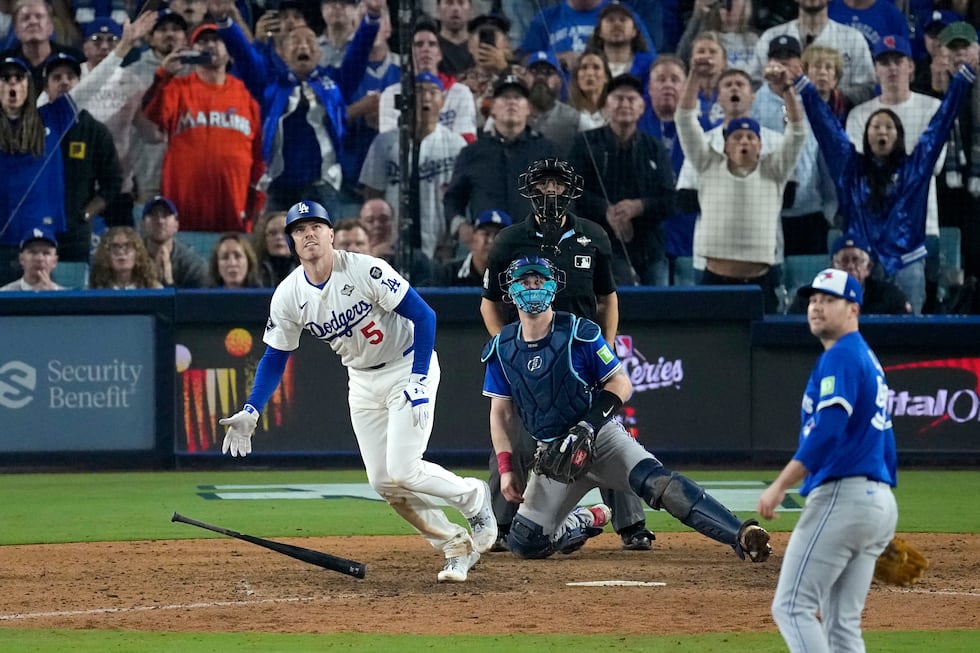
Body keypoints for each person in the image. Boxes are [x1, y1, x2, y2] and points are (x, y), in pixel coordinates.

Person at [218, 200, 498, 583]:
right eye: (300, 230)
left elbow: (424, 315)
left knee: (405, 468)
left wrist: (418, 377)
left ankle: (473, 497)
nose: (309, 234)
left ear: (331, 234)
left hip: (405, 366)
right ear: (292, 243)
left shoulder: (365, 268)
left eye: (316, 226)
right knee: (383, 482)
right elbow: (275, 355)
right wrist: (252, 409)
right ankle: (453, 544)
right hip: (362, 380)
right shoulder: (288, 295)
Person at [484, 254, 772, 561]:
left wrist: (588, 426)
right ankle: (583, 519)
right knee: (525, 542)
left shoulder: (579, 332)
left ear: (553, 287)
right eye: (524, 282)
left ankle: (741, 534)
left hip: (600, 438)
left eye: (538, 280)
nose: (532, 288)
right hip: (555, 455)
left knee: (660, 485)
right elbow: (500, 414)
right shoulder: (502, 348)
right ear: (510, 290)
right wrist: (505, 468)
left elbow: (621, 384)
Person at [481, 158, 656, 552]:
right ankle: (500, 523)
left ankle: (632, 526)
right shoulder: (509, 240)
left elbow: (607, 298)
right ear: (531, 189)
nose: (551, 191)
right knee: (515, 438)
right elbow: (489, 303)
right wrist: (507, 349)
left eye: (558, 185)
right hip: (530, 355)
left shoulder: (593, 236)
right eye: (544, 184)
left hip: (581, 357)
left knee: (605, 436)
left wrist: (605, 348)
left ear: (571, 190)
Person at [758, 267, 898, 653]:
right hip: (875, 500)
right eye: (813, 300)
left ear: (853, 308)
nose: (816, 306)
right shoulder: (867, 358)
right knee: (842, 625)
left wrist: (779, 485)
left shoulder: (841, 356)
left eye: (829, 299)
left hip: (844, 497)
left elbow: (828, 432)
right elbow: (885, 441)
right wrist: (876, 518)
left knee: (791, 607)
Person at [799, 54, 978, 318]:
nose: (881, 132)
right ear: (865, 135)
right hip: (860, 263)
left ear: (899, 136)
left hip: (906, 262)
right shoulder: (851, 170)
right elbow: (827, 130)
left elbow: (940, 125)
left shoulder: (914, 168)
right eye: (875, 127)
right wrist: (805, 87)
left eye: (888, 128)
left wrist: (962, 81)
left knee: (907, 335)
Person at [212, 0, 383, 217]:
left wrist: (373, 18)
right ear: (283, 52)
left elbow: (358, 54)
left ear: (319, 53)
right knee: (273, 247)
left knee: (322, 249)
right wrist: (223, 21)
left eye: (310, 41)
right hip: (278, 187)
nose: (303, 46)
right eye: (295, 41)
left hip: (323, 186)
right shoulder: (269, 84)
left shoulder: (335, 82)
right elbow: (244, 56)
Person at [677, 58, 807, 313]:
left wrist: (787, 90)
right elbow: (684, 119)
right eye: (737, 137)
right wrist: (693, 75)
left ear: (761, 146)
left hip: (761, 281)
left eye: (751, 137)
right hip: (714, 280)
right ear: (724, 145)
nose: (744, 141)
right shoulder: (707, 163)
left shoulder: (775, 171)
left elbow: (798, 131)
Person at [845, 34, 944, 313]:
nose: (892, 69)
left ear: (911, 66)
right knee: (869, 313)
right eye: (884, 62)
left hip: (920, 228)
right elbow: (857, 170)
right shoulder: (859, 115)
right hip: (871, 231)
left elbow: (932, 166)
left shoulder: (931, 108)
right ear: (876, 69)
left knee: (914, 315)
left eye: (898, 61)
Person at [141, 22, 265, 233]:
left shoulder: (245, 95)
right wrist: (164, 74)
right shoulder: (178, 88)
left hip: (234, 202)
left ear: (230, 52)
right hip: (184, 200)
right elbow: (153, 113)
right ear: (191, 50)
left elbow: (258, 155)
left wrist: (257, 202)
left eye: (218, 40)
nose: (211, 45)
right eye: (203, 41)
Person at [568, 73, 676, 286]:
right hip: (599, 248)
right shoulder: (585, 143)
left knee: (659, 313)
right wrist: (606, 210)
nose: (624, 104)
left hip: (650, 250)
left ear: (642, 107)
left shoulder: (655, 148)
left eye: (631, 99)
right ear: (606, 106)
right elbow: (571, 191)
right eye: (618, 99)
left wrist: (639, 207)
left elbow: (670, 201)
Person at [359, 71, 467, 272]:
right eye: (418, 91)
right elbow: (373, 197)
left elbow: (461, 199)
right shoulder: (384, 143)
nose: (425, 97)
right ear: (407, 99)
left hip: (440, 243)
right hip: (392, 244)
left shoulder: (456, 145)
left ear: (442, 101)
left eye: (432, 92)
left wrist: (451, 241)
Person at [443, 75, 561, 250]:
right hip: (487, 251)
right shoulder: (472, 152)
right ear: (492, 109)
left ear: (528, 108)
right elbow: (453, 199)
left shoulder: (548, 152)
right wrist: (460, 227)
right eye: (504, 97)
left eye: (518, 97)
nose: (511, 102)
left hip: (534, 249)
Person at [752, 35, 837, 256]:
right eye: (776, 58)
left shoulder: (812, 101)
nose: (783, 63)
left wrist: (830, 208)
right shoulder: (754, 103)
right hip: (767, 214)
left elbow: (826, 156)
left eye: (789, 57)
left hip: (811, 211)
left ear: (800, 63)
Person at [0, 54, 76, 286]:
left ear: (29, 85)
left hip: (40, 240)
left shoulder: (52, 116)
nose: (12, 83)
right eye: (5, 78)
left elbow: (92, 86)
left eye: (18, 78)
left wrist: (122, 50)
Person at [42, 51, 121, 262]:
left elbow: (113, 182)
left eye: (71, 77)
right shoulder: (32, 127)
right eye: (56, 78)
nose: (64, 83)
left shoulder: (96, 131)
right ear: (46, 87)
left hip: (74, 232)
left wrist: (86, 214)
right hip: (35, 229)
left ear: (81, 84)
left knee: (73, 290)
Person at [750, 0, 876, 108]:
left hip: (835, 124)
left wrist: (829, 97)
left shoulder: (853, 38)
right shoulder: (771, 37)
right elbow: (753, 84)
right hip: (778, 124)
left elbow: (867, 90)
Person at [377, 17, 476, 142]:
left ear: (440, 54)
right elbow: (389, 143)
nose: (425, 49)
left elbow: (466, 142)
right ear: (410, 54)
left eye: (432, 44)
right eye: (418, 44)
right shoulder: (392, 94)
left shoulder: (460, 93)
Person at [787, 234, 912, 313]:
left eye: (857, 260)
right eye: (844, 261)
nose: (851, 266)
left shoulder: (889, 295)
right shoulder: (811, 296)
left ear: (868, 267)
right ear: (832, 266)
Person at [519, 0, 655, 72]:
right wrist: (557, 58)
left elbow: (651, 62)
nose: (616, 23)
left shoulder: (622, 15)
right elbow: (524, 62)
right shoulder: (545, 17)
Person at [0, 0, 84, 88]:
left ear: (50, 27)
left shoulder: (75, 59)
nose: (33, 22)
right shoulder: (2, 63)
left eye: (39, 16)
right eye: (26, 18)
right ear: (16, 30)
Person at [141, 195, 209, 289]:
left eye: (165, 215)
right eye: (153, 214)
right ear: (143, 224)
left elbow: (198, 301)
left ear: (176, 225)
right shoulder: (130, 258)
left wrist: (169, 281)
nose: (160, 221)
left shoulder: (193, 264)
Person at [432, 208, 510, 286]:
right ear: (473, 238)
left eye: (498, 235)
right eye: (486, 234)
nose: (490, 241)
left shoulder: (516, 278)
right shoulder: (448, 274)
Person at [677, 0, 758, 74]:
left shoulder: (754, 39)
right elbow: (681, 62)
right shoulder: (707, 39)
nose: (729, 5)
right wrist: (698, 15)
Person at [585, 0, 655, 79]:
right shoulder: (587, 66)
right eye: (610, 20)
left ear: (634, 31)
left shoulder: (649, 65)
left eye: (623, 20)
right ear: (599, 32)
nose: (617, 24)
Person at [88, 225, 163, 289]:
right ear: (106, 254)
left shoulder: (153, 288)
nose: (121, 252)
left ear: (137, 253)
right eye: (115, 247)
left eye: (128, 246)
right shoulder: (95, 289)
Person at [0, 227, 64, 291]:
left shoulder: (67, 297)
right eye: (33, 252)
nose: (39, 259)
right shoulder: (4, 293)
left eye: (46, 253)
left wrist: (53, 296)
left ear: (55, 261)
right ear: (21, 259)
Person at [568, 48, 611, 131]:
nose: (589, 73)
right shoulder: (567, 115)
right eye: (584, 68)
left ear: (606, 77)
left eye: (596, 67)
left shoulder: (615, 114)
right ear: (577, 77)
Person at [253, 210, 298, 287]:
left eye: (285, 232)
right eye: (272, 233)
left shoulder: (309, 270)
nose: (279, 237)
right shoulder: (252, 272)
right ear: (263, 239)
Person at [359, 197, 396, 262]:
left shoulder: (411, 257)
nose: (377, 225)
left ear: (393, 223)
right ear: (360, 225)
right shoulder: (350, 257)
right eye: (370, 220)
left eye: (383, 219)